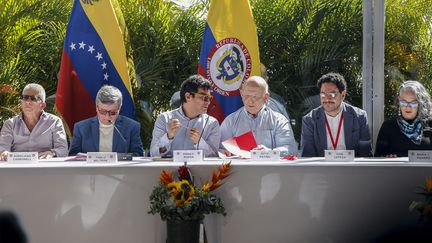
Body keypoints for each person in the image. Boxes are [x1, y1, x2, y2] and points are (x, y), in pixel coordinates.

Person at [220, 76, 298, 156]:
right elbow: (220, 149)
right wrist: (225, 152)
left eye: (255, 97)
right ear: (241, 94)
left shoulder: (279, 120)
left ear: (266, 97)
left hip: (269, 168)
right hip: (240, 168)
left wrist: (269, 153)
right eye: (247, 96)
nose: (250, 101)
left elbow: (291, 149)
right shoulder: (230, 121)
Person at [301, 72, 372, 157]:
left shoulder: (359, 117)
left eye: (332, 94)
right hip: (322, 168)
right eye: (323, 94)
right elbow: (308, 156)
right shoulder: (310, 120)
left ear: (343, 94)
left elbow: (365, 154)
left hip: (351, 168)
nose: (327, 98)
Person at [150, 75, 220, 157]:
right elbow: (153, 154)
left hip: (199, 170)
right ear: (188, 96)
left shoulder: (212, 124)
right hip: (168, 169)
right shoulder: (164, 119)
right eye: (204, 97)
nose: (208, 102)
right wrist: (168, 137)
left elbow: (214, 156)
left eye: (209, 98)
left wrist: (199, 143)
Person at [69, 85, 144, 156]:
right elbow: (72, 156)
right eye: (103, 112)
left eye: (113, 113)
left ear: (119, 108)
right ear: (96, 107)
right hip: (90, 169)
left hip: (119, 169)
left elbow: (138, 155)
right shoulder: (81, 128)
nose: (107, 116)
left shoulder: (131, 127)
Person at [0, 83, 68, 160]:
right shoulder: (10, 124)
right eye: (25, 98)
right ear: (21, 102)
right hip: (17, 167)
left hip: (45, 168)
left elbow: (63, 150)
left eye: (33, 98)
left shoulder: (54, 122)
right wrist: (3, 152)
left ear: (42, 105)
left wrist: (51, 153)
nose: (28, 102)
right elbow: (3, 147)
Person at [375, 81, 432, 157]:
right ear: (398, 101)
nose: (408, 107)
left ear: (420, 103)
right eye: (404, 102)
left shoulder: (430, 124)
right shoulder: (388, 126)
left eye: (413, 103)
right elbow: (378, 157)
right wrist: (387, 158)